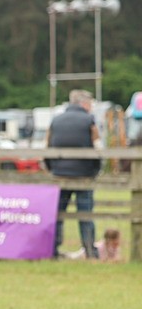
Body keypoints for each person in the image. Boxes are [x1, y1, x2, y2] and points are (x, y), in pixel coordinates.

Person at [46, 89, 101, 259]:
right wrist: (95, 170)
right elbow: (98, 147)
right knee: (85, 214)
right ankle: (90, 250)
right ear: (84, 103)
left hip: (60, 174)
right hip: (84, 175)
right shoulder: (89, 120)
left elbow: (47, 147)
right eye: (90, 104)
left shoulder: (55, 120)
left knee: (58, 214)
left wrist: (52, 169)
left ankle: (53, 250)